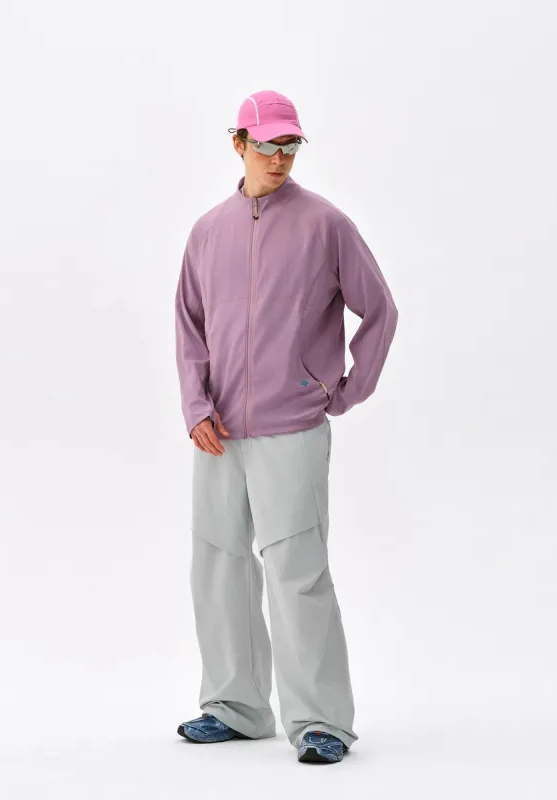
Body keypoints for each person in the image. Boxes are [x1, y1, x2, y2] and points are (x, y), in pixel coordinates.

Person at [173, 90, 398, 764]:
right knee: (218, 567)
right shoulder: (207, 231)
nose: (279, 158)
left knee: (297, 571)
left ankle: (322, 720)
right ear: (239, 144)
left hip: (291, 427)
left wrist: (347, 390)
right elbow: (189, 326)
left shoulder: (326, 224)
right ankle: (236, 708)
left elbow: (379, 310)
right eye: (268, 146)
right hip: (219, 433)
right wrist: (195, 405)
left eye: (290, 145)